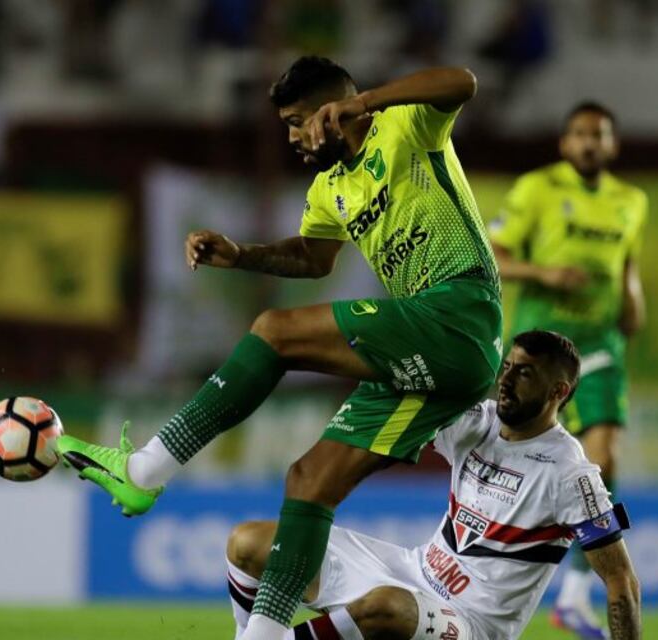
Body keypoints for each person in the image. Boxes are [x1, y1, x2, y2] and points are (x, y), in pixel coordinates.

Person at [56, 56, 502, 640]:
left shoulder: (406, 126)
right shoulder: (328, 189)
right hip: (429, 358)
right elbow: (313, 259)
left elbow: (462, 82)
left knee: (275, 331)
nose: (292, 137)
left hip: (460, 313)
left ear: (332, 109)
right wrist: (243, 256)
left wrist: (365, 102)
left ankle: (145, 468)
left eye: (297, 121)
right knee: (308, 481)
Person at [225, 331, 641, 640]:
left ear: (559, 391)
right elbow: (410, 403)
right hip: (411, 571)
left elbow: (621, 580)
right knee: (248, 542)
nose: (507, 380)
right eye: (508, 367)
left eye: (525, 373)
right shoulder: (480, 422)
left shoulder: (571, 473)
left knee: (385, 606)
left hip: (469, 624)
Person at [489, 102, 647, 639]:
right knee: (523, 457)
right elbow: (495, 253)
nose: (588, 143)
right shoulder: (536, 189)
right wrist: (545, 273)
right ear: (564, 143)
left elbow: (627, 262)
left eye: (598, 135)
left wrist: (633, 298)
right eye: (579, 134)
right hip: (543, 346)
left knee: (603, 457)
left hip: (601, 342)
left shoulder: (632, 201)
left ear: (612, 145)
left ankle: (576, 595)